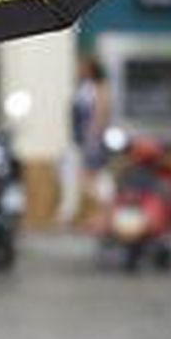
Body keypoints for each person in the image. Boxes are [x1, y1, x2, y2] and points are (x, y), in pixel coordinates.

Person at [62, 55, 112, 228]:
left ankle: (107, 208)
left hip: (91, 140)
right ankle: (77, 212)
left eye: (84, 67)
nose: (80, 70)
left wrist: (92, 139)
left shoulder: (100, 88)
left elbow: (100, 116)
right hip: (79, 139)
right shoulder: (83, 87)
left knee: (90, 178)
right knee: (77, 176)